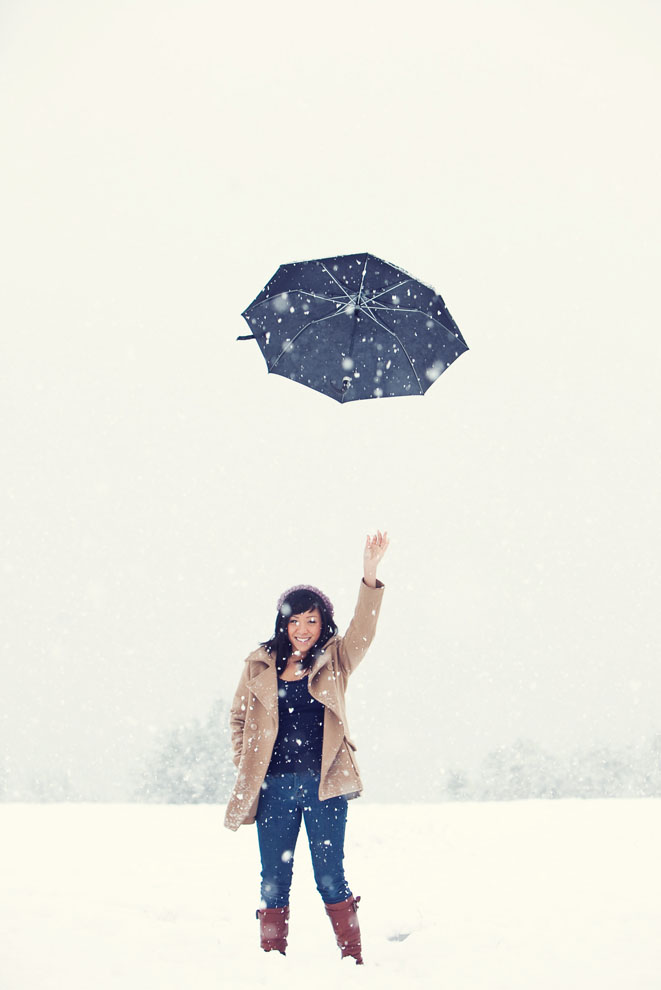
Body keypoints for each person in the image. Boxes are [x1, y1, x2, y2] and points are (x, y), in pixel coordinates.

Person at [224, 530, 389, 963]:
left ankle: (352, 960)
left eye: (311, 621)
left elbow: (364, 631)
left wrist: (370, 574)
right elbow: (239, 717)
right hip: (274, 788)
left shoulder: (336, 658)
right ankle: (270, 963)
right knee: (273, 880)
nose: (302, 629)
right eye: (294, 621)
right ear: (283, 623)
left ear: (323, 624)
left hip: (325, 787)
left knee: (330, 876)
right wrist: (248, 762)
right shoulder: (259, 664)